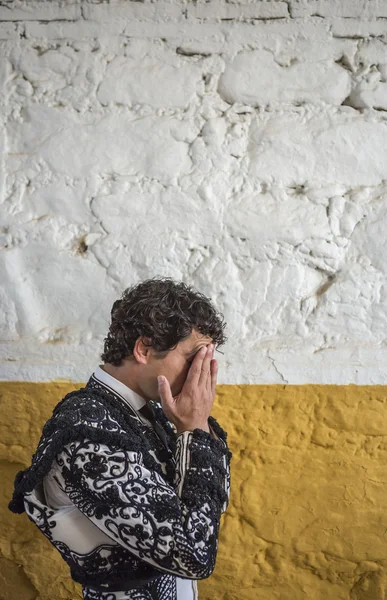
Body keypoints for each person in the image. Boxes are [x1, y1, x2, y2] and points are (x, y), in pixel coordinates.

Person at [9, 277, 232, 600]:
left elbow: (213, 506)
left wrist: (193, 425)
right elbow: (193, 555)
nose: (203, 371)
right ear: (144, 349)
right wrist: (194, 428)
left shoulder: (153, 413)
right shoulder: (87, 427)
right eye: (194, 356)